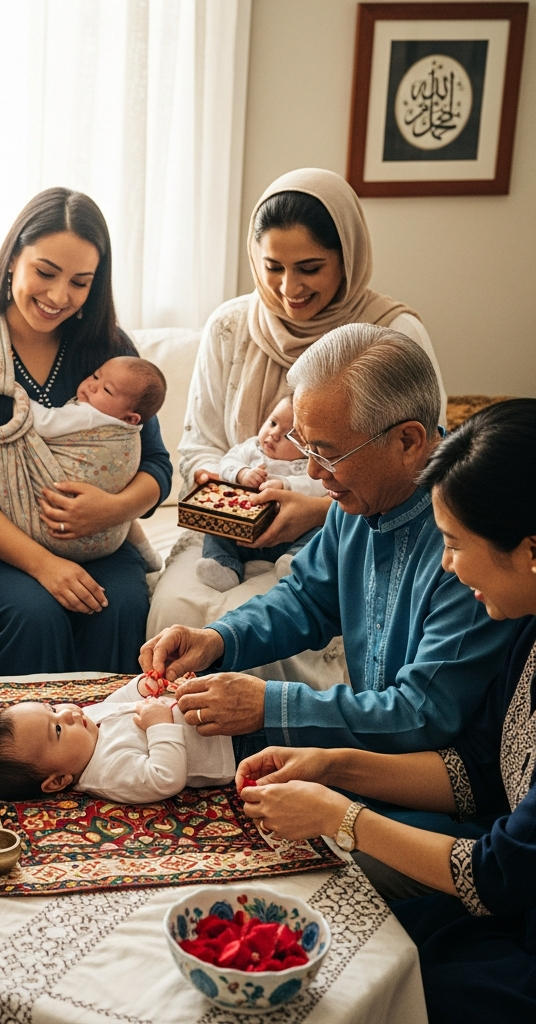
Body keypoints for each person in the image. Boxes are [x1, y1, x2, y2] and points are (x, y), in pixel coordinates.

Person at [233, 399, 536, 1023]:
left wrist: (343, 817)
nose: (447, 565)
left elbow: (501, 872)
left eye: (454, 544)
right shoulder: (526, 629)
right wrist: (332, 765)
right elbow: (481, 770)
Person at [140, 325, 514, 770]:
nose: (314, 473)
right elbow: (308, 598)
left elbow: (422, 713)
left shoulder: (471, 542)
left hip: (431, 780)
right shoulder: (358, 496)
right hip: (367, 751)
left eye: (328, 453)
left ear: (408, 442)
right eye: (304, 446)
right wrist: (217, 639)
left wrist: (269, 705)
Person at [148, 168, 447, 687]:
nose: (289, 288)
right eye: (273, 267)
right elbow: (199, 447)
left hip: (327, 523)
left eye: (310, 267)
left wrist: (311, 507)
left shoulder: (393, 335)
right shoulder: (229, 326)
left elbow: (414, 472)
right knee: (176, 611)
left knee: (263, 636)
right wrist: (232, 494)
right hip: (233, 524)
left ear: (347, 257)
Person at [0, 188, 173, 675]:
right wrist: (45, 565)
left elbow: (157, 464)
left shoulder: (110, 351)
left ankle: (109, 745)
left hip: (99, 534)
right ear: (13, 258)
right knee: (36, 615)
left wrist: (112, 508)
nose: (59, 297)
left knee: (118, 605)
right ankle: (20, 750)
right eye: (46, 272)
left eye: (80, 282)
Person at [0, 354, 166, 573]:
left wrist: (15, 396)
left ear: (131, 418)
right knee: (127, 518)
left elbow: (44, 423)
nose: (92, 385)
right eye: (95, 375)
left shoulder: (89, 414)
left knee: (3, 490)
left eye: (106, 390)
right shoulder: (127, 424)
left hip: (66, 512)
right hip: (110, 535)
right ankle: (148, 555)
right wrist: (119, 508)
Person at [0, 674, 234, 803]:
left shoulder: (86, 724)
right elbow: (164, 778)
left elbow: (116, 704)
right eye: (58, 730)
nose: (68, 714)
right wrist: (159, 725)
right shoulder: (107, 772)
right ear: (59, 780)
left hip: (211, 708)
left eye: (52, 709)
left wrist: (142, 687)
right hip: (230, 747)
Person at [194, 395, 325, 592]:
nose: (273, 434)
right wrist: (242, 473)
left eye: (289, 435)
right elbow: (226, 463)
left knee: (318, 532)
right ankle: (224, 566)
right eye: (272, 423)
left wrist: (285, 483)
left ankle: (295, 560)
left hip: (289, 532)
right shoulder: (251, 448)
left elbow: (317, 485)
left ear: (307, 446)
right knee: (217, 528)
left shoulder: (305, 464)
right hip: (244, 527)